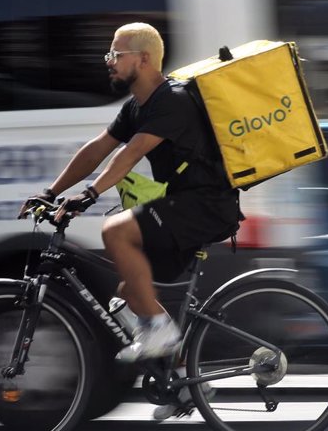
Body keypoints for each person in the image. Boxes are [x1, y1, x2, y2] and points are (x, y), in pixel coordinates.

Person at [19, 22, 241, 365]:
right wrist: (50, 192)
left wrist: (90, 194)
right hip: (183, 203)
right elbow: (97, 150)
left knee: (115, 230)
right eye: (109, 54)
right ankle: (180, 382)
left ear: (144, 59)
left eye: (116, 54)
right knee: (132, 293)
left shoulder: (173, 101)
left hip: (207, 203)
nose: (109, 61)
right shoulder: (136, 106)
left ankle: (158, 330)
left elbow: (131, 153)